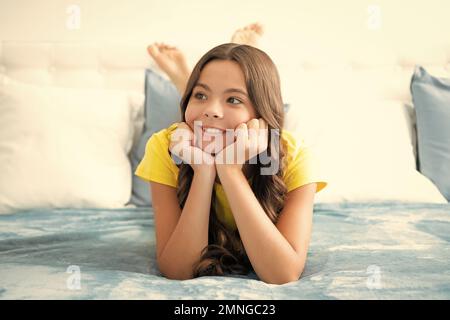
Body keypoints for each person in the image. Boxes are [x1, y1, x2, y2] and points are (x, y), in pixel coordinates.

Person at [135, 23, 328, 285]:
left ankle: (204, 79)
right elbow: (178, 271)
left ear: (258, 117)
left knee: (219, 114)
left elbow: (282, 274)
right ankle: (197, 83)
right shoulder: (166, 146)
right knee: (211, 116)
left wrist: (229, 171)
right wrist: (203, 171)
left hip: (259, 135)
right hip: (212, 135)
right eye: (199, 94)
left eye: (234, 99)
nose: (212, 109)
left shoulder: (295, 155)